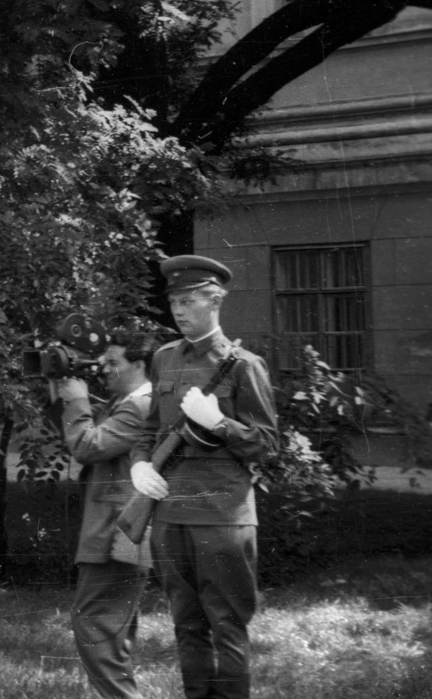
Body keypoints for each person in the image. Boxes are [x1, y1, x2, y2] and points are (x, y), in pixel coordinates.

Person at [129, 256, 278, 699]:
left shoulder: (244, 365)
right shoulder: (164, 359)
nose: (179, 309)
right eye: (174, 301)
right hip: (170, 514)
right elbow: (150, 430)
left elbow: (268, 444)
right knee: (186, 625)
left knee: (227, 625)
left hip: (222, 515)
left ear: (215, 302)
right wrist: (139, 466)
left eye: (189, 300)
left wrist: (219, 424)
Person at [56, 339, 155, 699]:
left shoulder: (141, 407)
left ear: (140, 365)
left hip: (119, 534)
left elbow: (86, 446)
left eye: (114, 362)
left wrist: (77, 400)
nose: (104, 369)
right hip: (119, 531)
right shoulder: (125, 404)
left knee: (94, 623)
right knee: (111, 632)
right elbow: (82, 431)